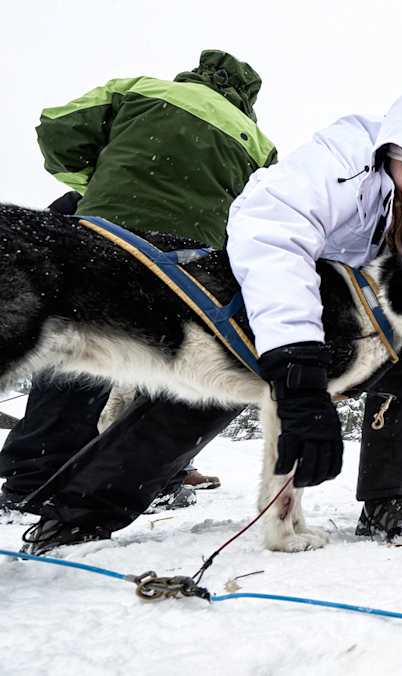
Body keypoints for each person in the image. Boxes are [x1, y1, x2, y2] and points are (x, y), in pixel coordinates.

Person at [9, 51, 277, 552]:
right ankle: (155, 478)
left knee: (72, 352)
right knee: (172, 376)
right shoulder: (257, 142)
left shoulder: (143, 90)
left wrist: (101, 183)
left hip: (104, 238)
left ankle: (31, 477)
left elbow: (57, 131)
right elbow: (260, 212)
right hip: (187, 267)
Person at [226, 69, 402, 544]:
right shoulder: (342, 160)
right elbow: (272, 231)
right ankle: (91, 502)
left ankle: (387, 499)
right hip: (293, 290)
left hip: (367, 316)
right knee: (225, 372)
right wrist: (295, 355)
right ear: (391, 151)